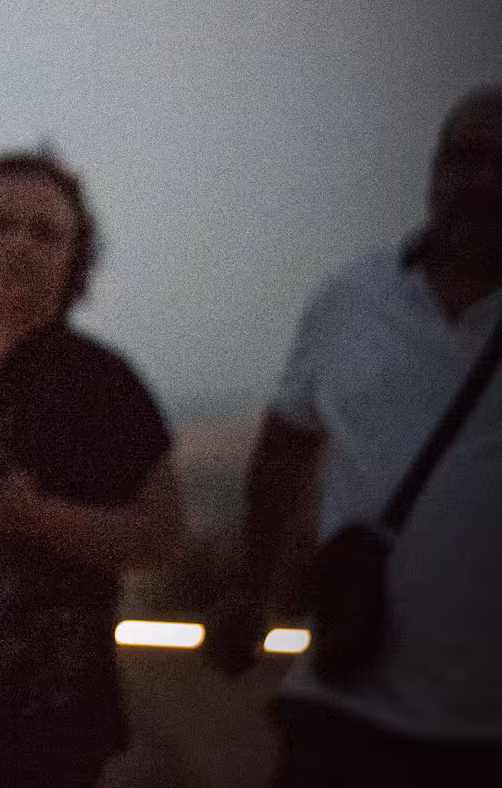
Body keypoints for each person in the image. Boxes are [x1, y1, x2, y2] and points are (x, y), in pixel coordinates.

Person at [204, 87, 502, 786]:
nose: (485, 180)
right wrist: (255, 593)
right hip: (345, 710)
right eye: (467, 158)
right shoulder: (353, 299)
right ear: (434, 169)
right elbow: (286, 445)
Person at [0, 150, 187, 788]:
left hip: (44, 727)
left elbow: (162, 536)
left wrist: (34, 518)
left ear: (74, 259)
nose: (20, 245)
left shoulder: (102, 383)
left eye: (46, 233)